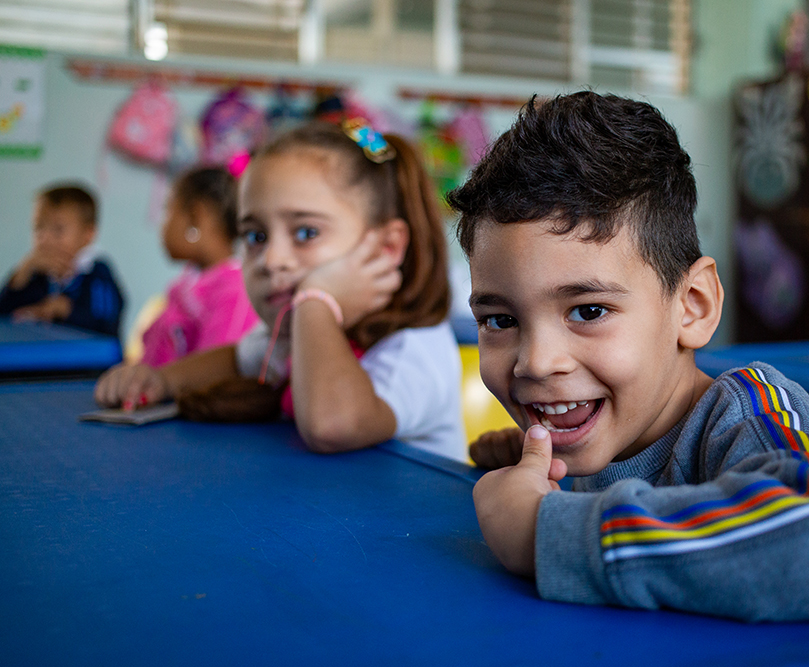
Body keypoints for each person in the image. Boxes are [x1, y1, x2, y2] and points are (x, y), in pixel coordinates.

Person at [446, 92, 809, 622]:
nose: (537, 363)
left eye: (588, 311)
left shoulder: (747, 412)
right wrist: (530, 455)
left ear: (693, 307)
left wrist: (540, 531)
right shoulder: (605, 427)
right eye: (501, 320)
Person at [94, 121, 466, 462]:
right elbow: (236, 359)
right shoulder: (294, 331)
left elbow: (332, 424)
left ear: (385, 248)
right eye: (255, 236)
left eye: (306, 233)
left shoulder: (412, 348)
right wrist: (161, 380)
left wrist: (316, 300)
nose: (271, 260)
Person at [140, 166, 258, 367]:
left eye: (169, 211)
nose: (165, 225)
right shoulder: (189, 284)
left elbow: (214, 372)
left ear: (196, 216)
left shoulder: (234, 290)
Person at [0, 184, 124, 337]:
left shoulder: (97, 272)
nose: (45, 238)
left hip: (87, 359)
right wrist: (23, 271)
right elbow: (4, 313)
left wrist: (66, 309)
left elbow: (107, 325)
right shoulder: (39, 274)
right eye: (38, 228)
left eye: (58, 230)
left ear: (88, 234)